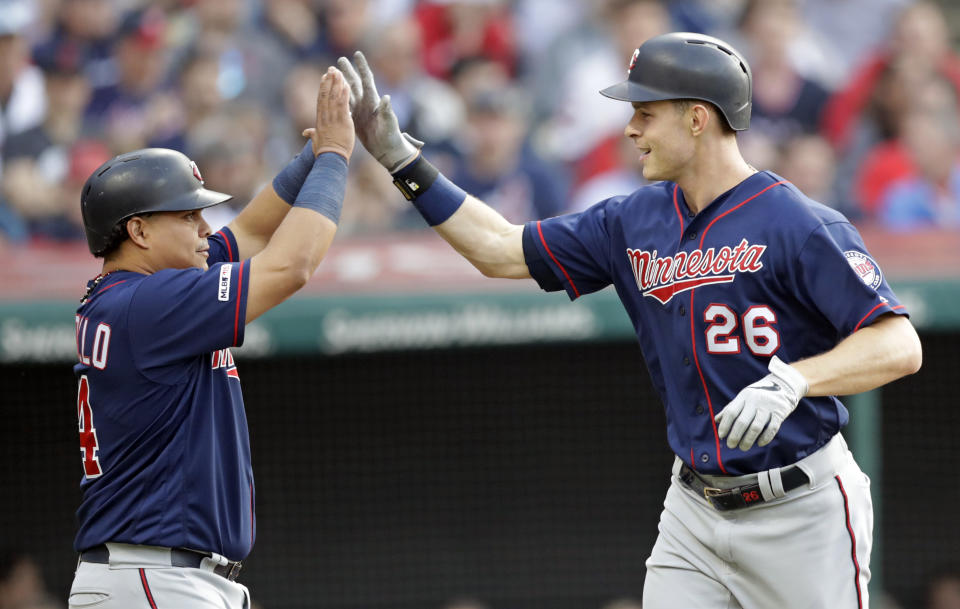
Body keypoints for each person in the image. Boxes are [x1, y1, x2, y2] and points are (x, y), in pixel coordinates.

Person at [338, 32, 922, 608]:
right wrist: (403, 162)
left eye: (645, 112)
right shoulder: (632, 220)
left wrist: (796, 380)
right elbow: (497, 248)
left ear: (697, 118)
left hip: (800, 508)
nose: (630, 128)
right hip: (694, 511)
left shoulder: (799, 223)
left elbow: (900, 344)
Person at [67, 66, 354, 609]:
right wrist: (337, 157)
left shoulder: (140, 292)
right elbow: (290, 265)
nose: (204, 228)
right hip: (156, 576)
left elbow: (246, 231)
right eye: (188, 214)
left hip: (159, 575)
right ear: (139, 230)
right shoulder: (150, 304)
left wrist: (313, 156)